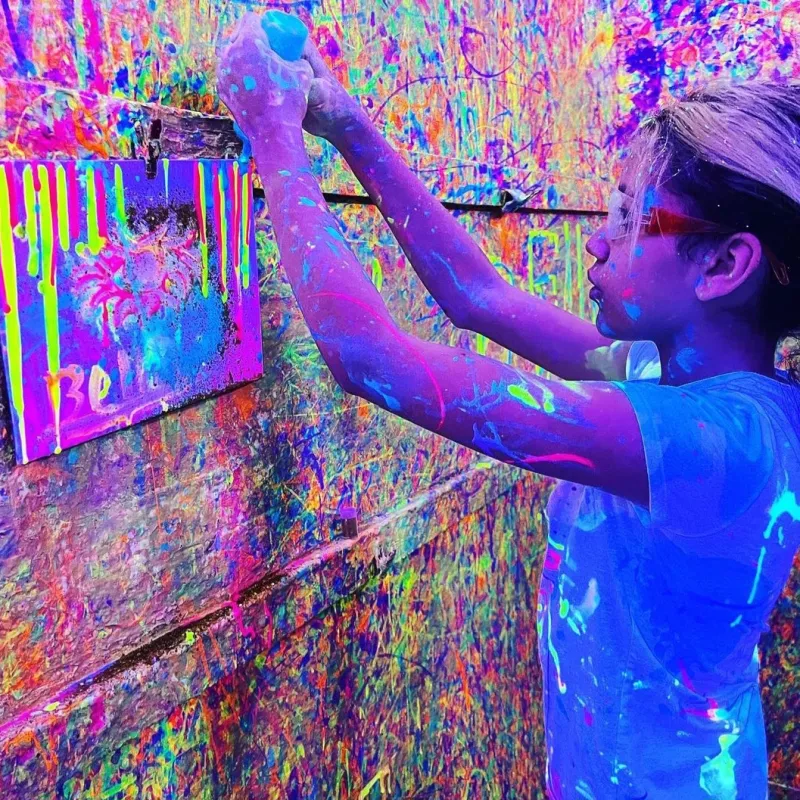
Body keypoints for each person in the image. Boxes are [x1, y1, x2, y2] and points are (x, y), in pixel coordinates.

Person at [219, 14, 800, 799]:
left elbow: (370, 358)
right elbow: (477, 296)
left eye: (629, 217)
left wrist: (275, 136)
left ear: (725, 265)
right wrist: (345, 123)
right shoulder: (664, 377)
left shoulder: (720, 443)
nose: (597, 241)